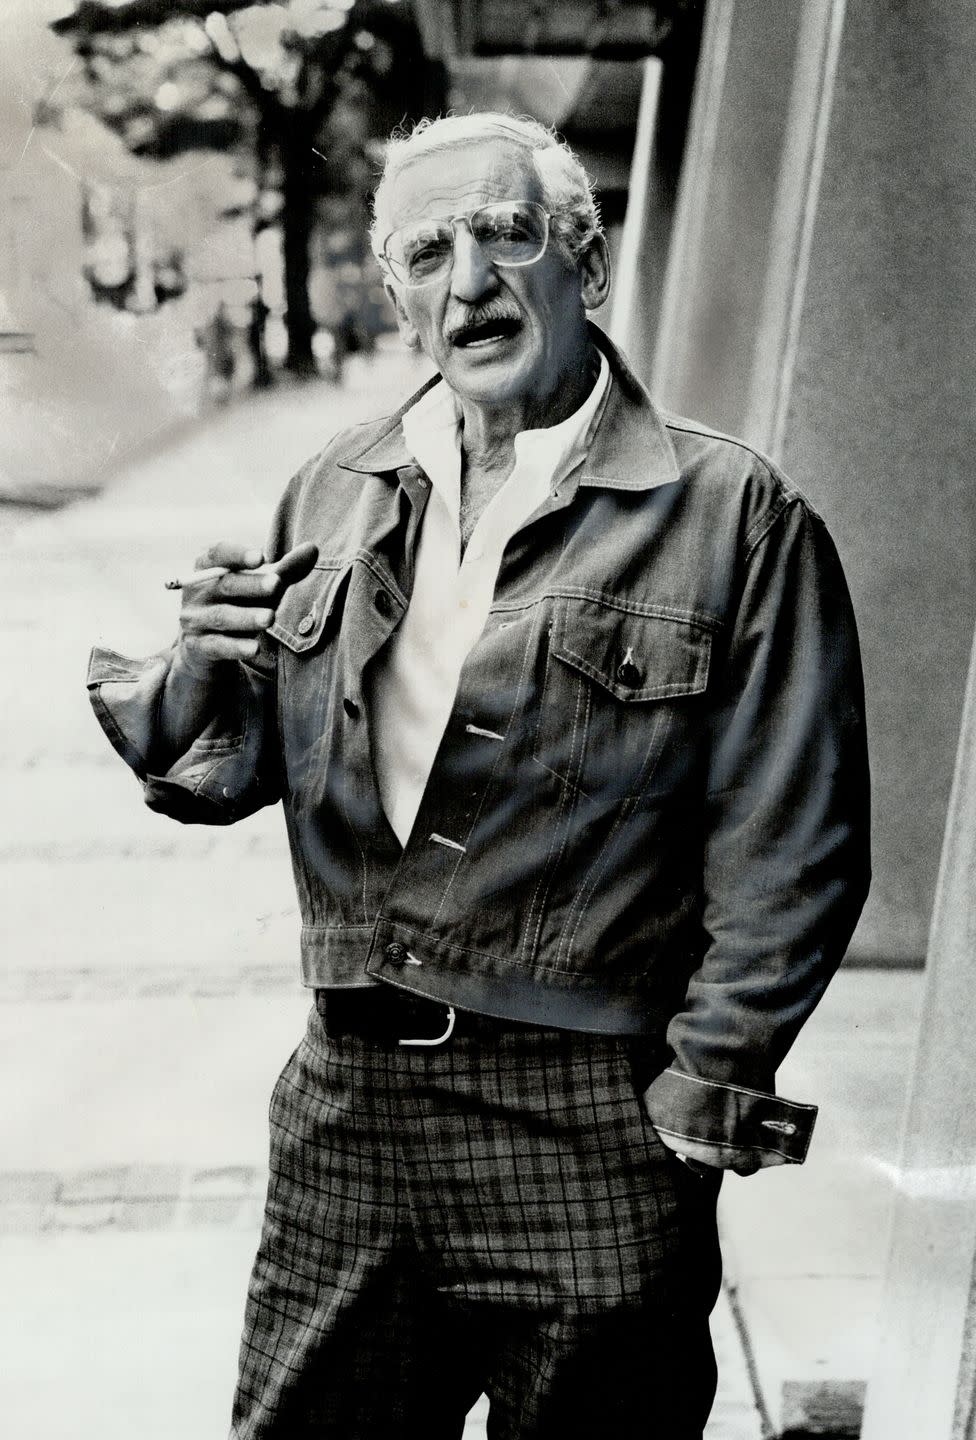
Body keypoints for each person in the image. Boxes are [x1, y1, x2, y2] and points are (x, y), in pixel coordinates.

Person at [87, 113, 870, 1439]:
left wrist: (705, 1089)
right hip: (348, 1107)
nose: (469, 283)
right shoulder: (332, 491)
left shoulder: (735, 515)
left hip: (589, 1119)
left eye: (507, 237)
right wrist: (201, 668)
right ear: (397, 300)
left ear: (584, 261)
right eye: (427, 252)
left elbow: (795, 837)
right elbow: (224, 772)